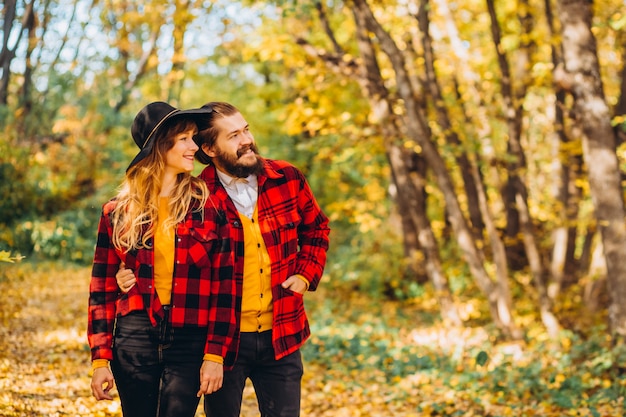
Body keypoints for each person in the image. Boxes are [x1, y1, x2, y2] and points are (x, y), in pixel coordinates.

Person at [117, 101, 331, 417]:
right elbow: (169, 256)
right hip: (222, 341)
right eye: (233, 136)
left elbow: (317, 228)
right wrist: (130, 271)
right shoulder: (196, 195)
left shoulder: (287, 178)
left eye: (246, 130)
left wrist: (305, 273)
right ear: (210, 148)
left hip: (282, 333)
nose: (246, 140)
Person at [88, 101, 237, 417]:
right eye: (184, 139)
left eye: (192, 138)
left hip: (190, 338)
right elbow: (101, 290)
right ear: (159, 146)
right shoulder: (117, 213)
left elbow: (226, 288)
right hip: (134, 335)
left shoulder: (209, 208)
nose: (193, 147)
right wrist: (100, 359)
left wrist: (215, 355)